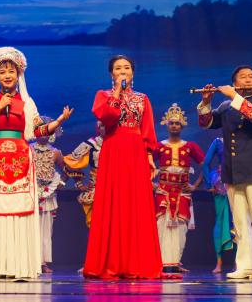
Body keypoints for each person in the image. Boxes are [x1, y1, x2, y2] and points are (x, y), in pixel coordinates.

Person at [0, 47, 72, 279]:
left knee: (20, 209)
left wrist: (57, 121)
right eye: (3, 72)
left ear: (18, 74)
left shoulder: (27, 102)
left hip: (20, 158)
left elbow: (38, 130)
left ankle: (19, 265)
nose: (7, 75)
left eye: (11, 71)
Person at [83, 55, 166, 280]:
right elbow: (107, 117)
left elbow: (147, 129)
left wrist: (149, 155)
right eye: (118, 68)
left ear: (133, 73)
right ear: (111, 74)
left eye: (127, 68)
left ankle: (137, 262)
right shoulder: (103, 96)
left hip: (136, 151)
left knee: (136, 203)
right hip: (114, 149)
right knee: (113, 201)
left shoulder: (143, 98)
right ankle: (111, 262)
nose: (123, 71)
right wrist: (118, 93)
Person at [197, 66, 252, 280]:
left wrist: (233, 95)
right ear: (235, 82)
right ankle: (245, 265)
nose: (249, 79)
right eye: (244, 77)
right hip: (233, 170)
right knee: (240, 222)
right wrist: (206, 102)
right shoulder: (225, 107)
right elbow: (206, 123)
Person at [153, 103, 205, 274]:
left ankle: (175, 262)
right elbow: (145, 165)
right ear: (167, 125)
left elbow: (205, 166)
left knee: (180, 228)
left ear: (182, 125)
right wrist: (151, 184)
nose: (174, 126)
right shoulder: (159, 146)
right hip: (163, 192)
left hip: (182, 192)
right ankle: (161, 263)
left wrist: (195, 185)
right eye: (171, 123)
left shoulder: (190, 146)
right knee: (162, 225)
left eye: (177, 123)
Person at [33, 116, 65, 273]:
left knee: (46, 230)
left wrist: (60, 183)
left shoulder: (55, 153)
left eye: (47, 131)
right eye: (41, 130)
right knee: (29, 229)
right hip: (31, 194)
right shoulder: (28, 150)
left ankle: (43, 262)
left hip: (48, 196)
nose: (44, 134)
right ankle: (29, 261)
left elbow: (67, 170)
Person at [202, 136, 236, 273]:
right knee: (220, 222)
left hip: (238, 181)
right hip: (221, 184)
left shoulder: (241, 138)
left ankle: (238, 262)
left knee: (238, 222)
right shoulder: (218, 141)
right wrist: (208, 184)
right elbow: (205, 163)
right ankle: (219, 262)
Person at [63, 121, 104, 228]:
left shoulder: (119, 144)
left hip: (117, 190)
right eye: (103, 126)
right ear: (98, 128)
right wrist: (80, 184)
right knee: (96, 224)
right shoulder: (91, 144)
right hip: (96, 189)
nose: (106, 128)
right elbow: (71, 163)